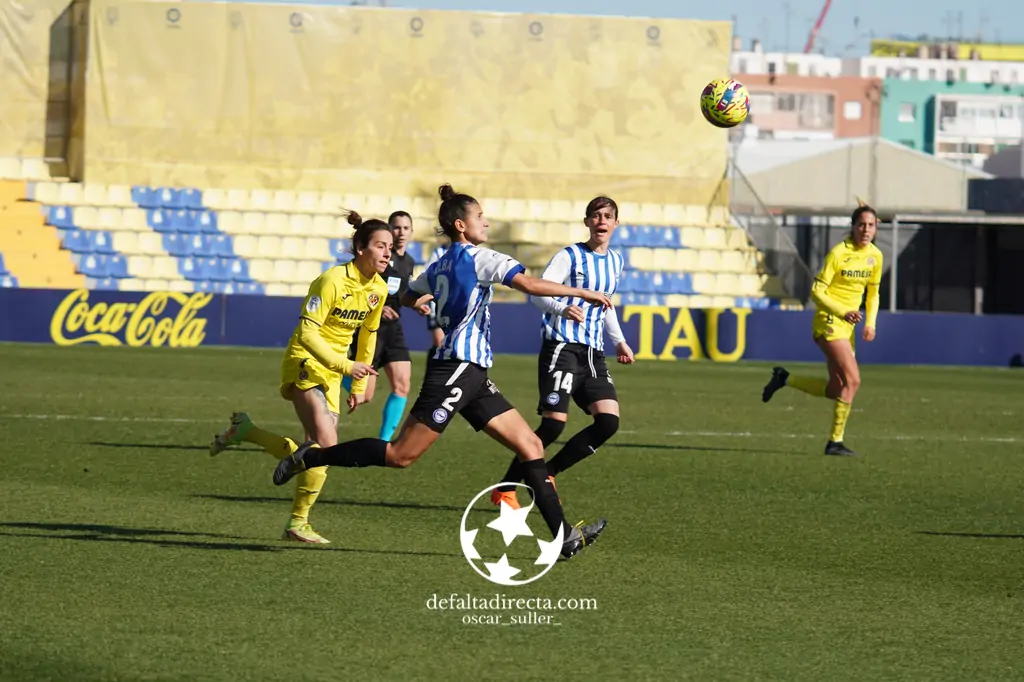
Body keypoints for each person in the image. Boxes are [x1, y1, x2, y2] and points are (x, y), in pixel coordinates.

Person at [272, 184, 612, 558]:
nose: (486, 222)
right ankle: (311, 457)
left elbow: (404, 293)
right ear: (460, 225)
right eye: (480, 216)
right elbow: (528, 284)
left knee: (530, 445)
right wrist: (584, 293)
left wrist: (417, 300)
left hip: (472, 374)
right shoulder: (481, 258)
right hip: (455, 370)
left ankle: (563, 536)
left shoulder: (439, 264)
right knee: (400, 455)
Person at [208, 212, 391, 544]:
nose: (388, 252)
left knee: (317, 450)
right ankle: (297, 521)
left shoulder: (378, 288)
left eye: (390, 246)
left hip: (333, 371)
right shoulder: (332, 280)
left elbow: (368, 336)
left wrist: (358, 383)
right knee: (328, 446)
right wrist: (346, 366)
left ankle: (248, 434)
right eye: (380, 245)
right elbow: (307, 333)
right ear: (361, 248)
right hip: (305, 360)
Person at [491, 196, 636, 509]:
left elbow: (605, 304)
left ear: (616, 223)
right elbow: (538, 295)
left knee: (608, 423)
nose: (601, 221)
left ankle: (549, 473)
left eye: (607, 216)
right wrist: (562, 308)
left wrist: (619, 341)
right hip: (561, 347)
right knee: (553, 425)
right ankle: (505, 489)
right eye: (595, 215)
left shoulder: (616, 261)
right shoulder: (569, 256)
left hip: (593, 353)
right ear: (587, 222)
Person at [761, 203, 883, 456]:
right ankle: (834, 442)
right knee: (854, 380)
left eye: (870, 225)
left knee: (837, 389)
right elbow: (817, 292)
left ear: (876, 228)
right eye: (861, 225)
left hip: (848, 326)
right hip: (829, 321)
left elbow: (873, 294)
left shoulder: (875, 256)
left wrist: (870, 323)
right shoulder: (839, 253)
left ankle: (785, 379)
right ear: (853, 226)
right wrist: (842, 311)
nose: (866, 230)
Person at [340, 210, 428, 441]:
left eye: (405, 228)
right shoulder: (378, 259)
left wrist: (415, 305)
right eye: (396, 227)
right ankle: (331, 373)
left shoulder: (408, 262)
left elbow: (400, 294)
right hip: (371, 329)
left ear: (411, 232)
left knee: (402, 385)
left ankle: (384, 442)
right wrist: (378, 310)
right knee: (366, 395)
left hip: (393, 329)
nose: (401, 233)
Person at [423, 239, 449, 357]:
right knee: (440, 342)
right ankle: (432, 368)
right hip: (437, 305)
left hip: (455, 306)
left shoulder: (466, 254)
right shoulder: (438, 253)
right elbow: (426, 276)